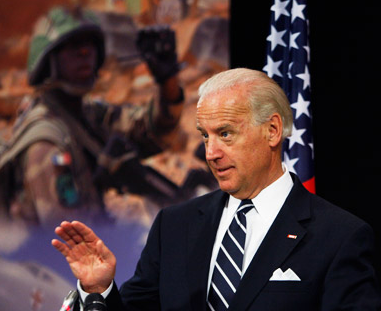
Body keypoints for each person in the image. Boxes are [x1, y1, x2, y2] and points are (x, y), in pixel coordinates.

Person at [52, 68, 381, 310]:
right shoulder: (174, 226)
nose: (211, 153)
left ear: (272, 130)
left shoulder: (339, 238)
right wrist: (100, 289)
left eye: (225, 134)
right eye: (205, 136)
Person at [0, 5, 186, 226]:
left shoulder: (84, 115)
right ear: (47, 60)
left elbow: (153, 132)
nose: (84, 52)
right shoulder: (46, 141)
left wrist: (167, 81)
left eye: (89, 45)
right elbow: (65, 243)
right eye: (72, 46)